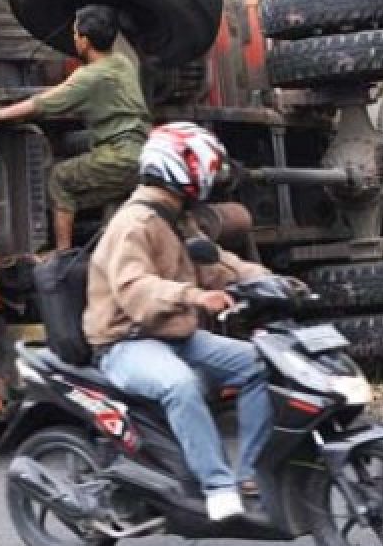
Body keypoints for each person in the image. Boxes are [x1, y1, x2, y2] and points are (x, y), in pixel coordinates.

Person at [83, 123, 274, 522]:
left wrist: (269, 280)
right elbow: (136, 290)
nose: (211, 176)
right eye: (204, 166)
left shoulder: (177, 218)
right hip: (125, 343)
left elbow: (216, 262)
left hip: (176, 336)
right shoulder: (133, 224)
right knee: (180, 385)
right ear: (180, 167)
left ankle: (252, 472)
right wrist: (193, 296)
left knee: (262, 363)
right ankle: (217, 487)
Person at [0, 4, 151, 251]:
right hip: (142, 151)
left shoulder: (89, 77)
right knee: (73, 149)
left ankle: (62, 254)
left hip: (120, 158)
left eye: (75, 34)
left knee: (59, 179)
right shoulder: (122, 62)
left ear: (85, 42)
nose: (74, 39)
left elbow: (43, 104)